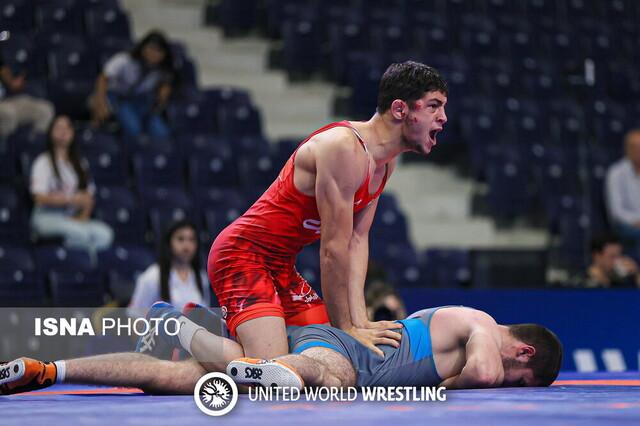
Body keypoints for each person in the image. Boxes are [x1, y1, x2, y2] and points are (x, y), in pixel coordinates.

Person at [207, 61, 448, 361]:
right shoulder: (344, 148)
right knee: (268, 369)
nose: (443, 118)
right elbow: (333, 251)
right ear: (400, 109)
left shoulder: (384, 164)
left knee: (322, 354)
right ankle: (183, 328)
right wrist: (345, 326)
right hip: (242, 256)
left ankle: (218, 333)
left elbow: (357, 241)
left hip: (280, 265)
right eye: (434, 106)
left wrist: (360, 321)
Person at [0, 306, 562, 395]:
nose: (511, 388)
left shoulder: (460, 327)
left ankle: (48, 368)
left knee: (179, 380)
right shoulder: (484, 324)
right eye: (523, 384)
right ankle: (253, 369)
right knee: (331, 378)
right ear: (527, 356)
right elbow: (488, 375)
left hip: (332, 346)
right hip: (341, 351)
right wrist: (447, 389)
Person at [30, 115, 113, 262]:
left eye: (67, 127)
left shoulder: (79, 163)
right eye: (59, 127)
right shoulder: (43, 162)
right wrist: (69, 200)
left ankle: (82, 265)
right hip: (47, 216)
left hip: (71, 217)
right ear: (50, 133)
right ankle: (79, 265)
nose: (63, 131)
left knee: (105, 234)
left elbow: (88, 196)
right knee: (80, 234)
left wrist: (83, 216)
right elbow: (39, 197)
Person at [90, 30, 175, 138]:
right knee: (133, 128)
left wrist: (162, 97)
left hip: (140, 100)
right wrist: (100, 101)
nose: (154, 54)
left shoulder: (163, 70)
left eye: (159, 51)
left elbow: (164, 89)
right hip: (117, 96)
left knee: (161, 133)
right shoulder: (125, 59)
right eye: (151, 48)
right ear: (143, 48)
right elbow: (103, 78)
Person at [128, 220, 210, 318]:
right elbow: (134, 317)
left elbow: (205, 315)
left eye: (192, 239)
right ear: (169, 242)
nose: (186, 246)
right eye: (180, 239)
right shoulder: (152, 276)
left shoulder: (201, 276)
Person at [0, 48, 54, 138]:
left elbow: (4, 71)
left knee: (45, 110)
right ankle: (6, 149)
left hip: (9, 99)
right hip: (5, 107)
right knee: (8, 114)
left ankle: (34, 146)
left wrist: (12, 81)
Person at [605, 129, 640, 259]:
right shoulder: (616, 173)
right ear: (627, 149)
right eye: (635, 147)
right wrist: (636, 221)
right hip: (624, 224)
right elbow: (616, 211)